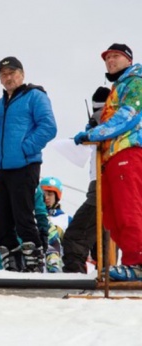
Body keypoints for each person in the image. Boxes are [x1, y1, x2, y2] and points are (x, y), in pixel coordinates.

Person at [0, 56, 57, 273]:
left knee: (23, 216)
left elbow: (49, 127)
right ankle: (12, 267)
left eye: (12, 73)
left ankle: (35, 265)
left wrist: (25, 148)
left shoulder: (35, 96)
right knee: (0, 222)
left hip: (24, 166)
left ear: (21, 74)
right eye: (3, 75)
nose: (8, 77)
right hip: (1, 169)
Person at [73, 43, 142, 281]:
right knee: (113, 215)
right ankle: (131, 263)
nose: (110, 61)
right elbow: (110, 118)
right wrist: (93, 127)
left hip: (128, 151)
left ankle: (138, 262)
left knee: (128, 209)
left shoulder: (136, 81)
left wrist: (96, 133)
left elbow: (128, 116)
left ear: (128, 60)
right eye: (107, 58)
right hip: (112, 155)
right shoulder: (117, 87)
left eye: (116, 56)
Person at [63, 87, 110, 274]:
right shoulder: (99, 130)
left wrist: (93, 130)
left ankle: (75, 278)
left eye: (100, 110)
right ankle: (106, 272)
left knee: (76, 236)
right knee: (102, 236)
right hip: (102, 180)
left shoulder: (113, 126)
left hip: (103, 181)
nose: (97, 114)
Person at [40, 177, 72, 273]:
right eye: (43, 194)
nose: (46, 198)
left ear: (56, 196)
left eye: (50, 194)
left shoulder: (66, 219)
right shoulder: (34, 216)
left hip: (58, 266)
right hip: (38, 265)